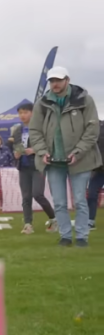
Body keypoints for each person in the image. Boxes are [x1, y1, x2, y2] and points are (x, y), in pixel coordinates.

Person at [28, 67, 101, 247]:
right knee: (59, 202)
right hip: (53, 162)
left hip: (80, 160)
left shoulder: (84, 99)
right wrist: (42, 151)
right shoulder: (41, 104)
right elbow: (34, 131)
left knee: (80, 201)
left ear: (67, 80)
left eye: (58, 80)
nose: (55, 84)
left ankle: (82, 236)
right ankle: (65, 236)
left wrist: (78, 152)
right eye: (52, 81)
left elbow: (92, 130)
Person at [10, 102, 57, 234]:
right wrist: (16, 154)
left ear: (32, 113)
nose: (22, 115)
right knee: (26, 197)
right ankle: (28, 224)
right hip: (23, 166)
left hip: (37, 166)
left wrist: (35, 150)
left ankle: (53, 218)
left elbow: (49, 145)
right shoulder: (17, 130)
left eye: (25, 112)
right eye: (20, 113)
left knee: (37, 194)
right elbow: (16, 146)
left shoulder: (40, 127)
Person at [88, 122, 104, 230]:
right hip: (99, 170)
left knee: (92, 194)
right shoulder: (96, 128)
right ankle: (90, 221)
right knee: (91, 194)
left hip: (98, 169)